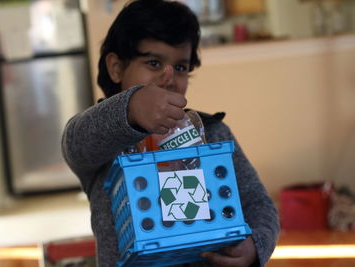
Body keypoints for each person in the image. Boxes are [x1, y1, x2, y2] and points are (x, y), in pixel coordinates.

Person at [61, 0, 279, 266]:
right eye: (153, 63)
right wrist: (130, 107)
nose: (169, 77)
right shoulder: (104, 139)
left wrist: (254, 245)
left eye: (180, 67)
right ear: (116, 68)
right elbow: (75, 142)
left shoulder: (212, 133)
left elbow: (258, 203)